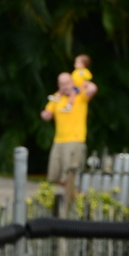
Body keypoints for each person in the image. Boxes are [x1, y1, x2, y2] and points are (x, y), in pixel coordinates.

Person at [41, 70, 96, 204]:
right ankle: (78, 196)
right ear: (58, 85)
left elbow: (93, 89)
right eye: (62, 84)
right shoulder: (57, 97)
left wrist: (82, 82)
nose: (65, 86)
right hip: (59, 140)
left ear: (72, 82)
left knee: (70, 174)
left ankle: (72, 202)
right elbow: (47, 113)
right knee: (55, 174)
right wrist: (46, 114)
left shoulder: (80, 95)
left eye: (67, 83)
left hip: (75, 139)